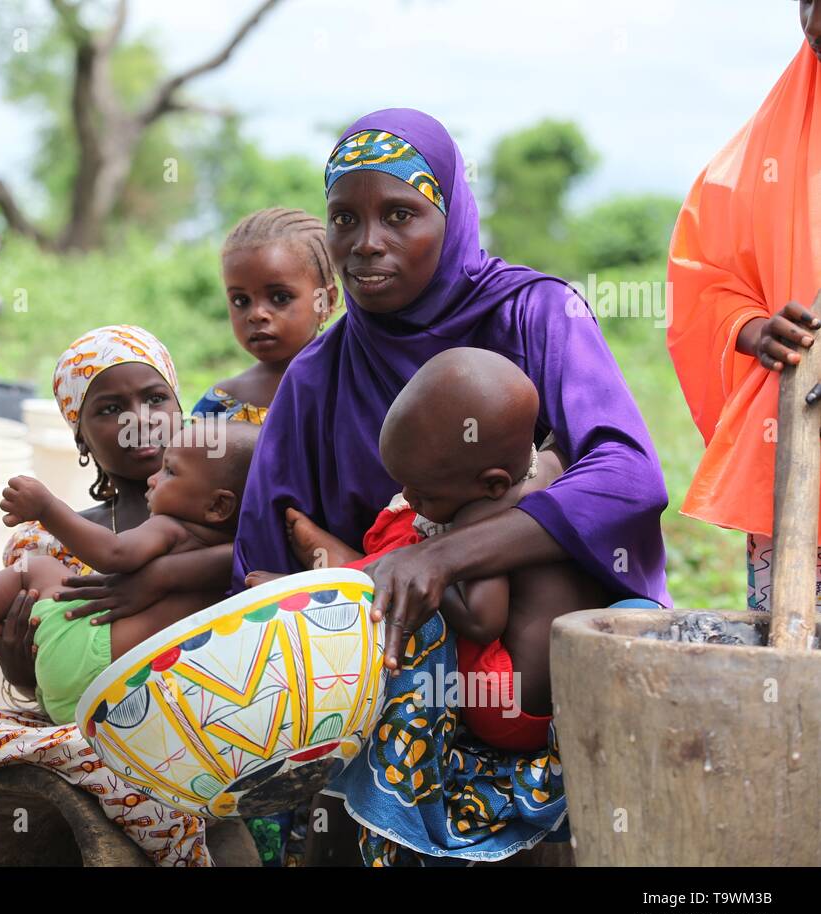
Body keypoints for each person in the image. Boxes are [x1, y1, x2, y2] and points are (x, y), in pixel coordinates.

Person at [233, 109, 668, 865]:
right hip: (390, 690)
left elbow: (626, 476)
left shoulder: (535, 313)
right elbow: (259, 563)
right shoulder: (318, 378)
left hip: (543, 682)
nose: (367, 243)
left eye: (400, 215)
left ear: (452, 212)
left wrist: (443, 558)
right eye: (345, 219)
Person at [0, 326, 234, 866]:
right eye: (109, 409)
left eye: (156, 398)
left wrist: (162, 579)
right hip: (83, 728)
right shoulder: (45, 545)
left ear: (183, 410)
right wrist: (18, 668)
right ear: (81, 438)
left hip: (201, 737)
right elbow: (44, 683)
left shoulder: (231, 510)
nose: (139, 419)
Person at [266, 348, 609, 751]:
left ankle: (336, 584)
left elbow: (482, 620)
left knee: (412, 578)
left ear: (493, 483)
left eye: (424, 492)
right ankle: (352, 567)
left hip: (504, 706)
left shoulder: (481, 512)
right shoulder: (552, 462)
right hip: (556, 690)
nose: (408, 497)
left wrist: (431, 567)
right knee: (416, 537)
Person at [0, 420, 254, 725]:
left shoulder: (169, 528)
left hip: (86, 659)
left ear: (218, 506)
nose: (153, 478)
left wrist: (47, 508)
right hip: (124, 701)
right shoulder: (241, 556)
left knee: (37, 567)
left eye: (169, 472)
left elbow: (113, 553)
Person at [668, 3, 821, 611]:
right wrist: (756, 329)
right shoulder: (763, 151)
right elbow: (704, 276)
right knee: (791, 659)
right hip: (797, 445)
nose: (816, 21)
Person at [191, 208, 338, 424]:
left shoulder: (350, 386)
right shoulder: (219, 405)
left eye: (280, 297)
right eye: (241, 300)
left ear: (326, 301)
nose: (257, 314)